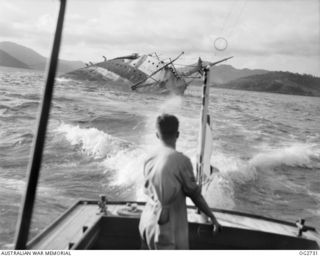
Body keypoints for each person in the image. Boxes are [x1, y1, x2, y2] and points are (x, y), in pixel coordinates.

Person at [139, 113, 220, 250]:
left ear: (157, 135)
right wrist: (212, 217)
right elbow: (195, 196)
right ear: (178, 134)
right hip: (164, 228)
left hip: (146, 222)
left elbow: (149, 191)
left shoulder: (149, 159)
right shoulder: (181, 161)